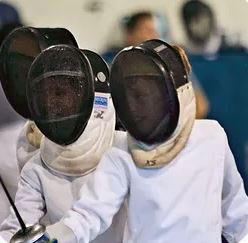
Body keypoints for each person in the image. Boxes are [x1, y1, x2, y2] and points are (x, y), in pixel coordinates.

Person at [41, 40, 248, 243]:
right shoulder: (121, 152)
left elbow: (236, 211)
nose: (134, 106)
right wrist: (53, 237)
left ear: (172, 94)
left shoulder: (212, 138)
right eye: (129, 97)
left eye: (142, 96)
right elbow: (89, 213)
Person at [0, 45, 126, 243]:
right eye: (45, 95)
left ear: (89, 97)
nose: (50, 103)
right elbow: (17, 228)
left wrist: (55, 237)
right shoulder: (37, 166)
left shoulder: (124, 151)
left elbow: (93, 212)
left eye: (59, 93)